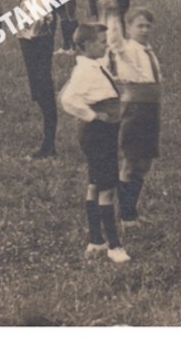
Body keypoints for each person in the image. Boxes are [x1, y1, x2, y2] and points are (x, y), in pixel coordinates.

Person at [59, 23, 130, 264]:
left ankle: (96, 240)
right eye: (101, 42)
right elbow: (68, 99)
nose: (106, 45)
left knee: (95, 184)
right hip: (98, 132)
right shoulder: (85, 71)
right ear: (86, 46)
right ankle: (114, 245)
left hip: (102, 132)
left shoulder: (93, 66)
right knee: (107, 188)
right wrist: (92, 115)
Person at [104, 0, 163, 225]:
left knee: (145, 161)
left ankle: (132, 210)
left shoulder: (147, 51)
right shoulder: (127, 49)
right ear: (128, 28)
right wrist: (111, 15)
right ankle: (125, 215)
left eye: (148, 26)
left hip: (150, 109)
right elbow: (115, 42)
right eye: (140, 26)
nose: (145, 30)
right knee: (132, 160)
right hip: (136, 109)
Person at [2, 0, 59, 158]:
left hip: (36, 46)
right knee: (39, 88)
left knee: (43, 88)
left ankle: (49, 144)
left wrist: (30, 33)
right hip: (33, 45)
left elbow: (42, 19)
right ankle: (48, 141)